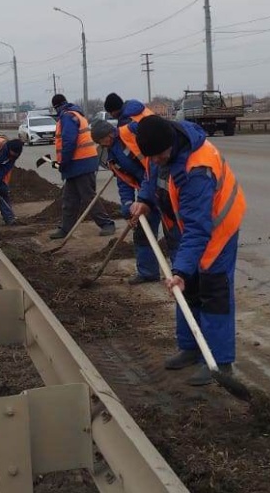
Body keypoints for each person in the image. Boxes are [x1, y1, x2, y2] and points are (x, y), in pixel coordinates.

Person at [132, 115, 246, 387]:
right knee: (186, 288)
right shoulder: (156, 151)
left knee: (212, 291)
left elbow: (198, 227)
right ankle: (190, 347)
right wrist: (145, 201)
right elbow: (151, 178)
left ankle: (219, 362)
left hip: (215, 230)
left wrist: (181, 270)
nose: (156, 161)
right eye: (152, 157)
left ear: (170, 145)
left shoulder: (198, 168)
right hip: (183, 228)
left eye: (160, 156)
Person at [91, 119, 176, 285]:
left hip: (163, 185)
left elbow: (153, 165)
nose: (102, 145)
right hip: (146, 190)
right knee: (142, 231)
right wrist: (128, 204)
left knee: (173, 232)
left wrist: (145, 194)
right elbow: (124, 181)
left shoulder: (131, 131)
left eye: (101, 141)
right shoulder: (111, 155)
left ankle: (180, 275)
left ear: (109, 134)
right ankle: (148, 272)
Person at [48, 94, 115, 240]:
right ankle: (65, 229)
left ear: (56, 107)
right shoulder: (75, 114)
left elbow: (69, 141)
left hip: (81, 162)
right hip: (77, 163)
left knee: (88, 196)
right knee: (69, 198)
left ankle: (107, 224)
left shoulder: (67, 117)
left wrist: (63, 163)